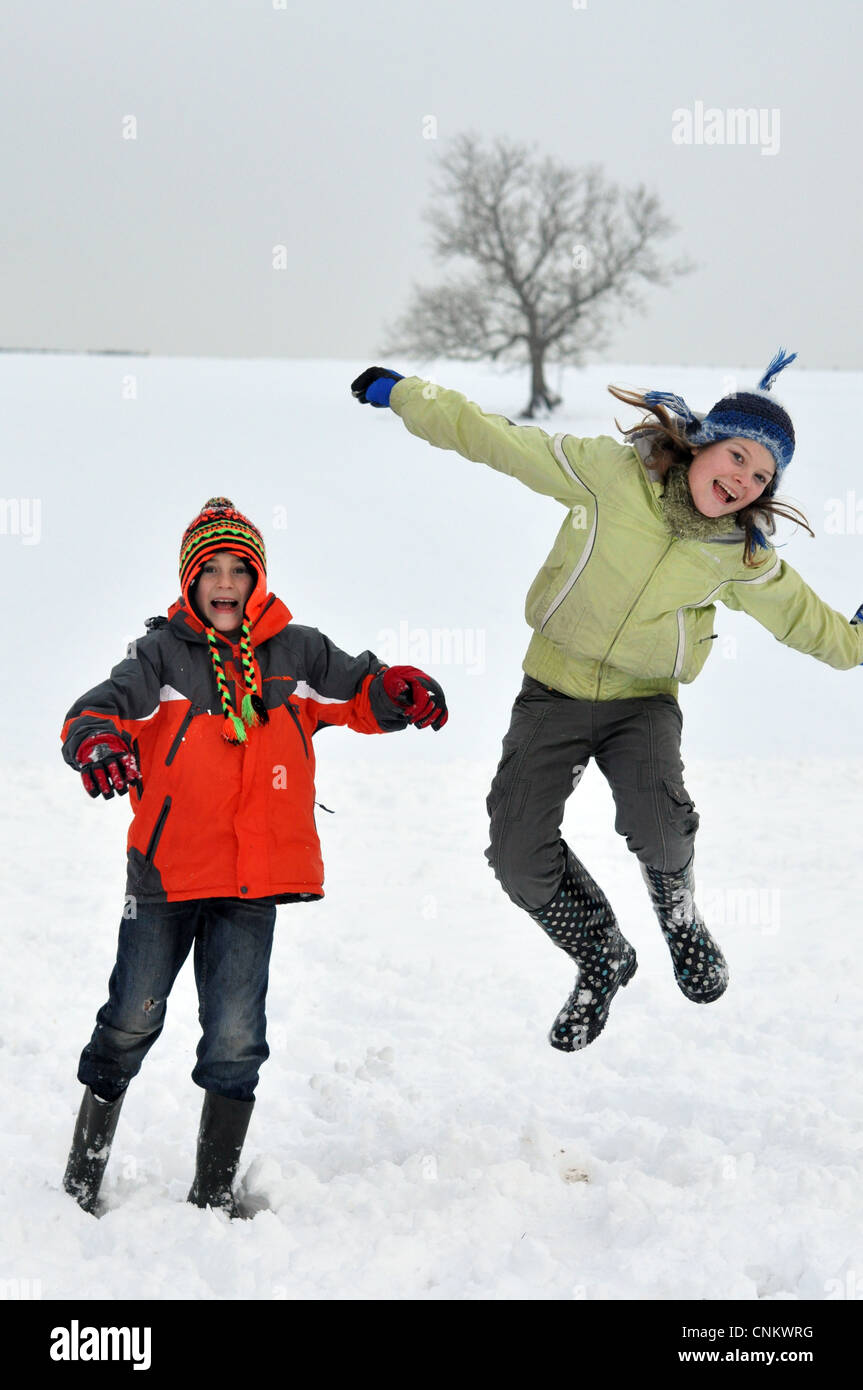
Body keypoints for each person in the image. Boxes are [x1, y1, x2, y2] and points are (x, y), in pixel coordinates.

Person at [351, 352, 863, 1052]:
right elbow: (497, 439)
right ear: (702, 441)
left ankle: (679, 919)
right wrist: (407, 394)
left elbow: (809, 623)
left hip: (642, 704)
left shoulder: (741, 554)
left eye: (760, 476)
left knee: (657, 820)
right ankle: (600, 953)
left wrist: (857, 640)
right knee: (514, 852)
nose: (741, 479)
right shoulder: (608, 475)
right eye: (736, 455)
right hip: (551, 693)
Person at [60, 497, 447, 1217]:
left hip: (250, 882)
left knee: (237, 1038)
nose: (227, 581)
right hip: (165, 876)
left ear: (260, 576)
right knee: (131, 1019)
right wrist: (97, 741)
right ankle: (82, 1177)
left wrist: (396, 690)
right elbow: (100, 707)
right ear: (190, 578)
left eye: (241, 567)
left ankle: (210, 1193)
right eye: (212, 568)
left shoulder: (295, 652)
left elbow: (360, 692)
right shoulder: (161, 656)